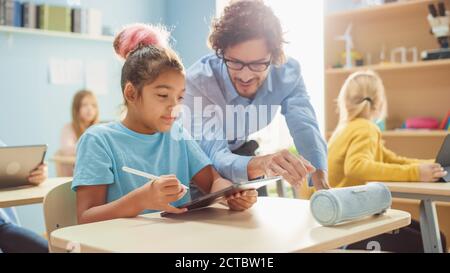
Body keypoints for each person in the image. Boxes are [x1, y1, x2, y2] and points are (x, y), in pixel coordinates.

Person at [73, 24, 258, 224]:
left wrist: (231, 194)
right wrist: (141, 199)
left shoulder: (177, 134)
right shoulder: (98, 141)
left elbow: (213, 181)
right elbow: (86, 218)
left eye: (180, 98)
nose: (174, 107)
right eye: (163, 95)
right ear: (131, 93)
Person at [184, 0, 329, 196]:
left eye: (258, 64)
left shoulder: (287, 73)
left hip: (242, 155)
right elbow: (215, 155)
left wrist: (320, 182)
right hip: (200, 166)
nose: (245, 76)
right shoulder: (198, 83)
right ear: (221, 53)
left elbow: (305, 126)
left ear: (274, 56)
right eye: (235, 62)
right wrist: (263, 162)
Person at [327, 70, 447, 252]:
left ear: (344, 101)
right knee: (434, 239)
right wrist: (416, 173)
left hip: (340, 218)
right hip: (348, 224)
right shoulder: (365, 128)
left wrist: (429, 164)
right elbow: (356, 167)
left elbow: (391, 159)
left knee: (434, 236)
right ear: (379, 101)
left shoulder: (347, 128)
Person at [0, 139, 49, 253]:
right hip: (5, 229)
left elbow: (11, 165)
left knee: (48, 249)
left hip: (4, 226)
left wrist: (37, 173)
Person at [58, 90, 99, 176]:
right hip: (72, 178)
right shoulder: (68, 128)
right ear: (76, 109)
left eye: (93, 105)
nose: (89, 109)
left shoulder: (99, 129)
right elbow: (68, 150)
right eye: (84, 105)